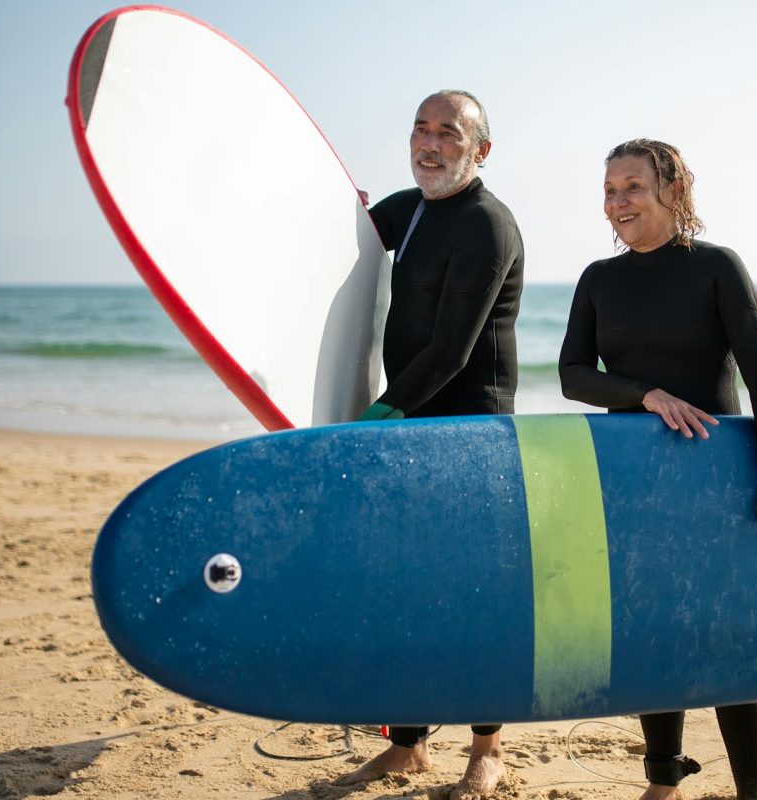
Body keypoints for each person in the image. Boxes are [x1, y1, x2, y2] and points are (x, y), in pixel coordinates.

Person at [558, 139, 757, 800]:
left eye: (632, 186)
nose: (618, 202)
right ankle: (663, 780)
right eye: (610, 190)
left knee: (724, 635)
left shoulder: (716, 268)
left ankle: (751, 791)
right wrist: (645, 395)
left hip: (714, 478)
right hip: (632, 479)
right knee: (652, 632)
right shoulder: (598, 280)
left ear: (672, 189)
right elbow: (572, 376)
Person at [335, 90, 523, 799]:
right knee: (404, 584)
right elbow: (343, 238)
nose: (430, 143)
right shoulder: (405, 210)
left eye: (449, 132)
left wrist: (381, 411)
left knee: (475, 593)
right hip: (409, 421)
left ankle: (488, 747)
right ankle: (409, 745)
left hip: (471, 428)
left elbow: (453, 347)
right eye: (421, 128)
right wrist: (337, 206)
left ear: (481, 148)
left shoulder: (487, 225)